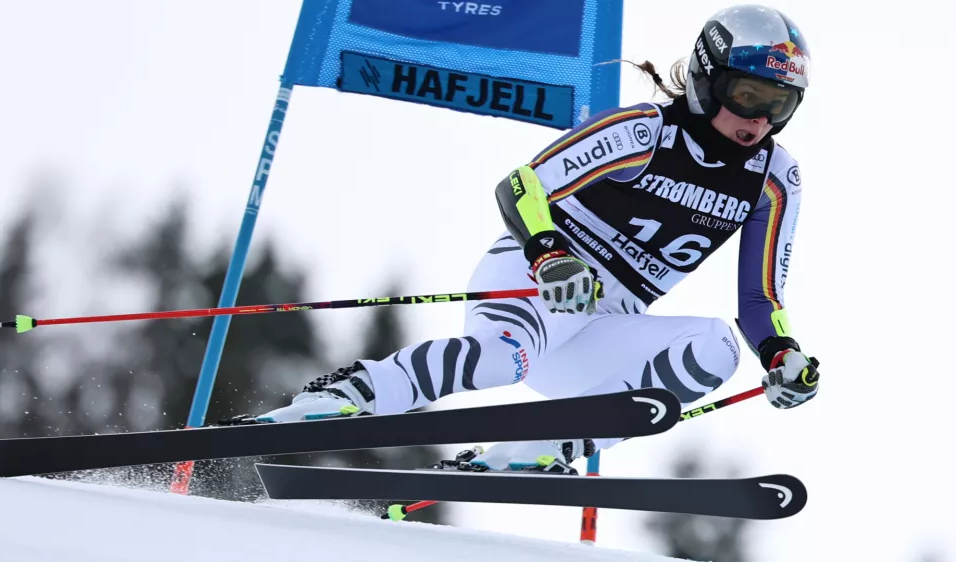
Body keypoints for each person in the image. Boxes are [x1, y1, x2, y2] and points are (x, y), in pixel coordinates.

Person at [223, 4, 821, 474]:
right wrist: (551, 255)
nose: (759, 120)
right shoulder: (643, 132)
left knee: (717, 346)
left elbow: (758, 299)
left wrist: (781, 354)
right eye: (748, 96)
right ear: (707, 78)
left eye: (780, 105)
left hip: (604, 324)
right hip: (542, 281)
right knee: (502, 360)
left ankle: (542, 446)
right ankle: (351, 393)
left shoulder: (774, 179)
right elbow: (521, 186)